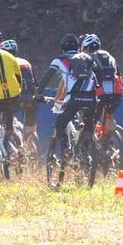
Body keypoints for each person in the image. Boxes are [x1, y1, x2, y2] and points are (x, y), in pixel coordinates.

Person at [36, 33, 100, 161]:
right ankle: (85, 157)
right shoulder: (88, 58)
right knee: (88, 129)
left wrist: (38, 93)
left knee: (61, 123)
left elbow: (47, 77)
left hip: (74, 98)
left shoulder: (60, 60)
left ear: (63, 48)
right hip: (92, 99)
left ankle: (66, 151)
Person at [81, 33, 123, 140]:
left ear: (85, 48)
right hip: (115, 93)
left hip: (97, 93)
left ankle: (92, 144)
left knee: (90, 121)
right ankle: (109, 141)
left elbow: (82, 78)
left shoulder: (87, 58)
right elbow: (119, 76)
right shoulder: (109, 56)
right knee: (109, 114)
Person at [0, 39, 38, 142]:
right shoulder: (26, 62)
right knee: (31, 129)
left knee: (5, 119)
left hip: (14, 98)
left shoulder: (5, 64)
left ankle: (17, 142)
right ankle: (32, 146)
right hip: (31, 98)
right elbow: (35, 82)